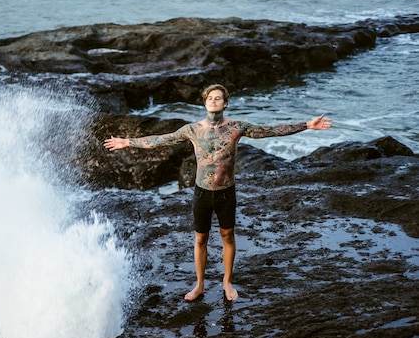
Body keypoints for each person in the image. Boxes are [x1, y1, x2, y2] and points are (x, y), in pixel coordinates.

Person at [104, 84, 332, 302]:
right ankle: (200, 284)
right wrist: (127, 142)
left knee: (227, 236)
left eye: (218, 98)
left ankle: (227, 281)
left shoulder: (236, 128)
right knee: (200, 239)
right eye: (210, 98)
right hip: (202, 193)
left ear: (225, 104)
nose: (213, 101)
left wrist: (307, 125)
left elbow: (270, 130)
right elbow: (161, 140)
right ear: (205, 103)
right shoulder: (192, 130)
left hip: (225, 193)